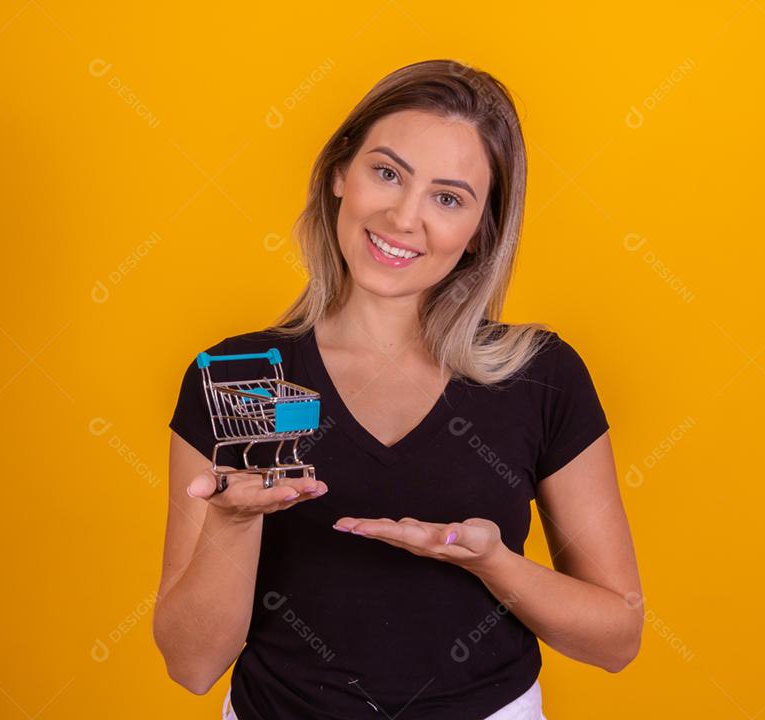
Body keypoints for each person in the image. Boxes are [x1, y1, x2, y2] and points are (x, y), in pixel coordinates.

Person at [153, 59, 643, 720]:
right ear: (339, 175)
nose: (404, 216)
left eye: (448, 197)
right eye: (387, 173)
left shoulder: (541, 375)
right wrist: (232, 521)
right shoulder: (240, 379)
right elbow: (191, 665)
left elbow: (617, 639)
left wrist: (494, 564)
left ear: (479, 233)